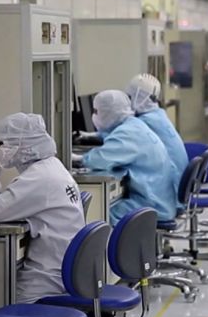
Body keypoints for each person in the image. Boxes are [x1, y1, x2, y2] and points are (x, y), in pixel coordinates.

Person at [0, 112, 84, 305]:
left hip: (46, 282)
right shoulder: (52, 167)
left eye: (2, 144)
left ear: (21, 147)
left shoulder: (39, 178)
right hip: (65, 272)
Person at [73, 90, 177, 224]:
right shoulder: (133, 125)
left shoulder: (127, 133)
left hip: (153, 204)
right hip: (160, 200)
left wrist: (76, 159)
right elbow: (112, 140)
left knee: (101, 212)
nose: (95, 116)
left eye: (97, 111)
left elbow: (98, 160)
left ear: (109, 112)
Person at [125, 73, 187, 203]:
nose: (128, 102)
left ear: (139, 96)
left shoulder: (146, 122)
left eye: (130, 97)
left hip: (169, 192)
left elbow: (123, 146)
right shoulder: (158, 116)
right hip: (177, 187)